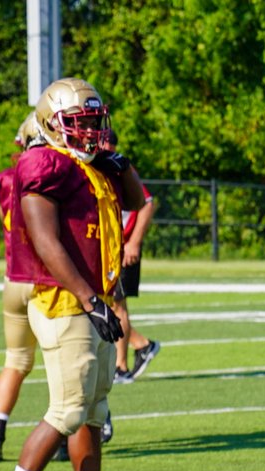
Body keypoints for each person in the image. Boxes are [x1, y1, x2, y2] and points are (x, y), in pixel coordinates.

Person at [0, 77, 147, 471]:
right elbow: (45, 240)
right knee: (68, 409)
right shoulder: (44, 163)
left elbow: (137, 201)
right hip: (66, 302)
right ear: (51, 125)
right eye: (79, 124)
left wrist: (122, 164)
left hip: (90, 300)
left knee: (94, 410)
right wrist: (89, 297)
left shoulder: (93, 165)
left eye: (95, 122)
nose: (90, 132)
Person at [0, 113, 41, 462]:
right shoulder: (57, 175)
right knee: (65, 363)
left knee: (16, 359)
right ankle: (66, 439)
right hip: (49, 282)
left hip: (13, 277)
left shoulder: (5, 180)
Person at [100, 128, 160, 383]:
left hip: (123, 246)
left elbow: (147, 203)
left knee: (117, 304)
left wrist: (134, 242)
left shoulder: (119, 165)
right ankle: (142, 344)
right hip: (106, 246)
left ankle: (121, 366)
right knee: (104, 304)